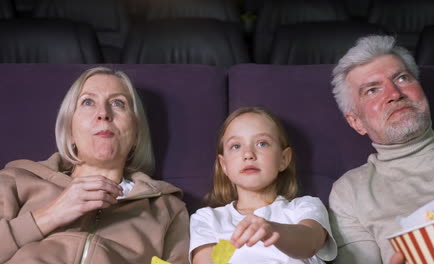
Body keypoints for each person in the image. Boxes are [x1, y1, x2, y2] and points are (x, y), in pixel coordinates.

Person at [0, 67, 189, 263]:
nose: (103, 114)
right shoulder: (16, 179)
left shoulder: (168, 209)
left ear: (136, 135)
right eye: (88, 102)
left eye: (118, 103)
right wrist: (51, 214)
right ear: (70, 131)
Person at [328, 35, 434, 264]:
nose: (394, 94)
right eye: (372, 90)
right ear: (356, 122)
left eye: (402, 78)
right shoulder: (349, 192)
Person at [189, 107, 337, 263]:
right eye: (236, 146)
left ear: (283, 159)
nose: (248, 154)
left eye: (262, 143)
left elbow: (309, 242)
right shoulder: (209, 219)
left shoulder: (303, 207)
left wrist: (272, 230)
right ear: (224, 165)